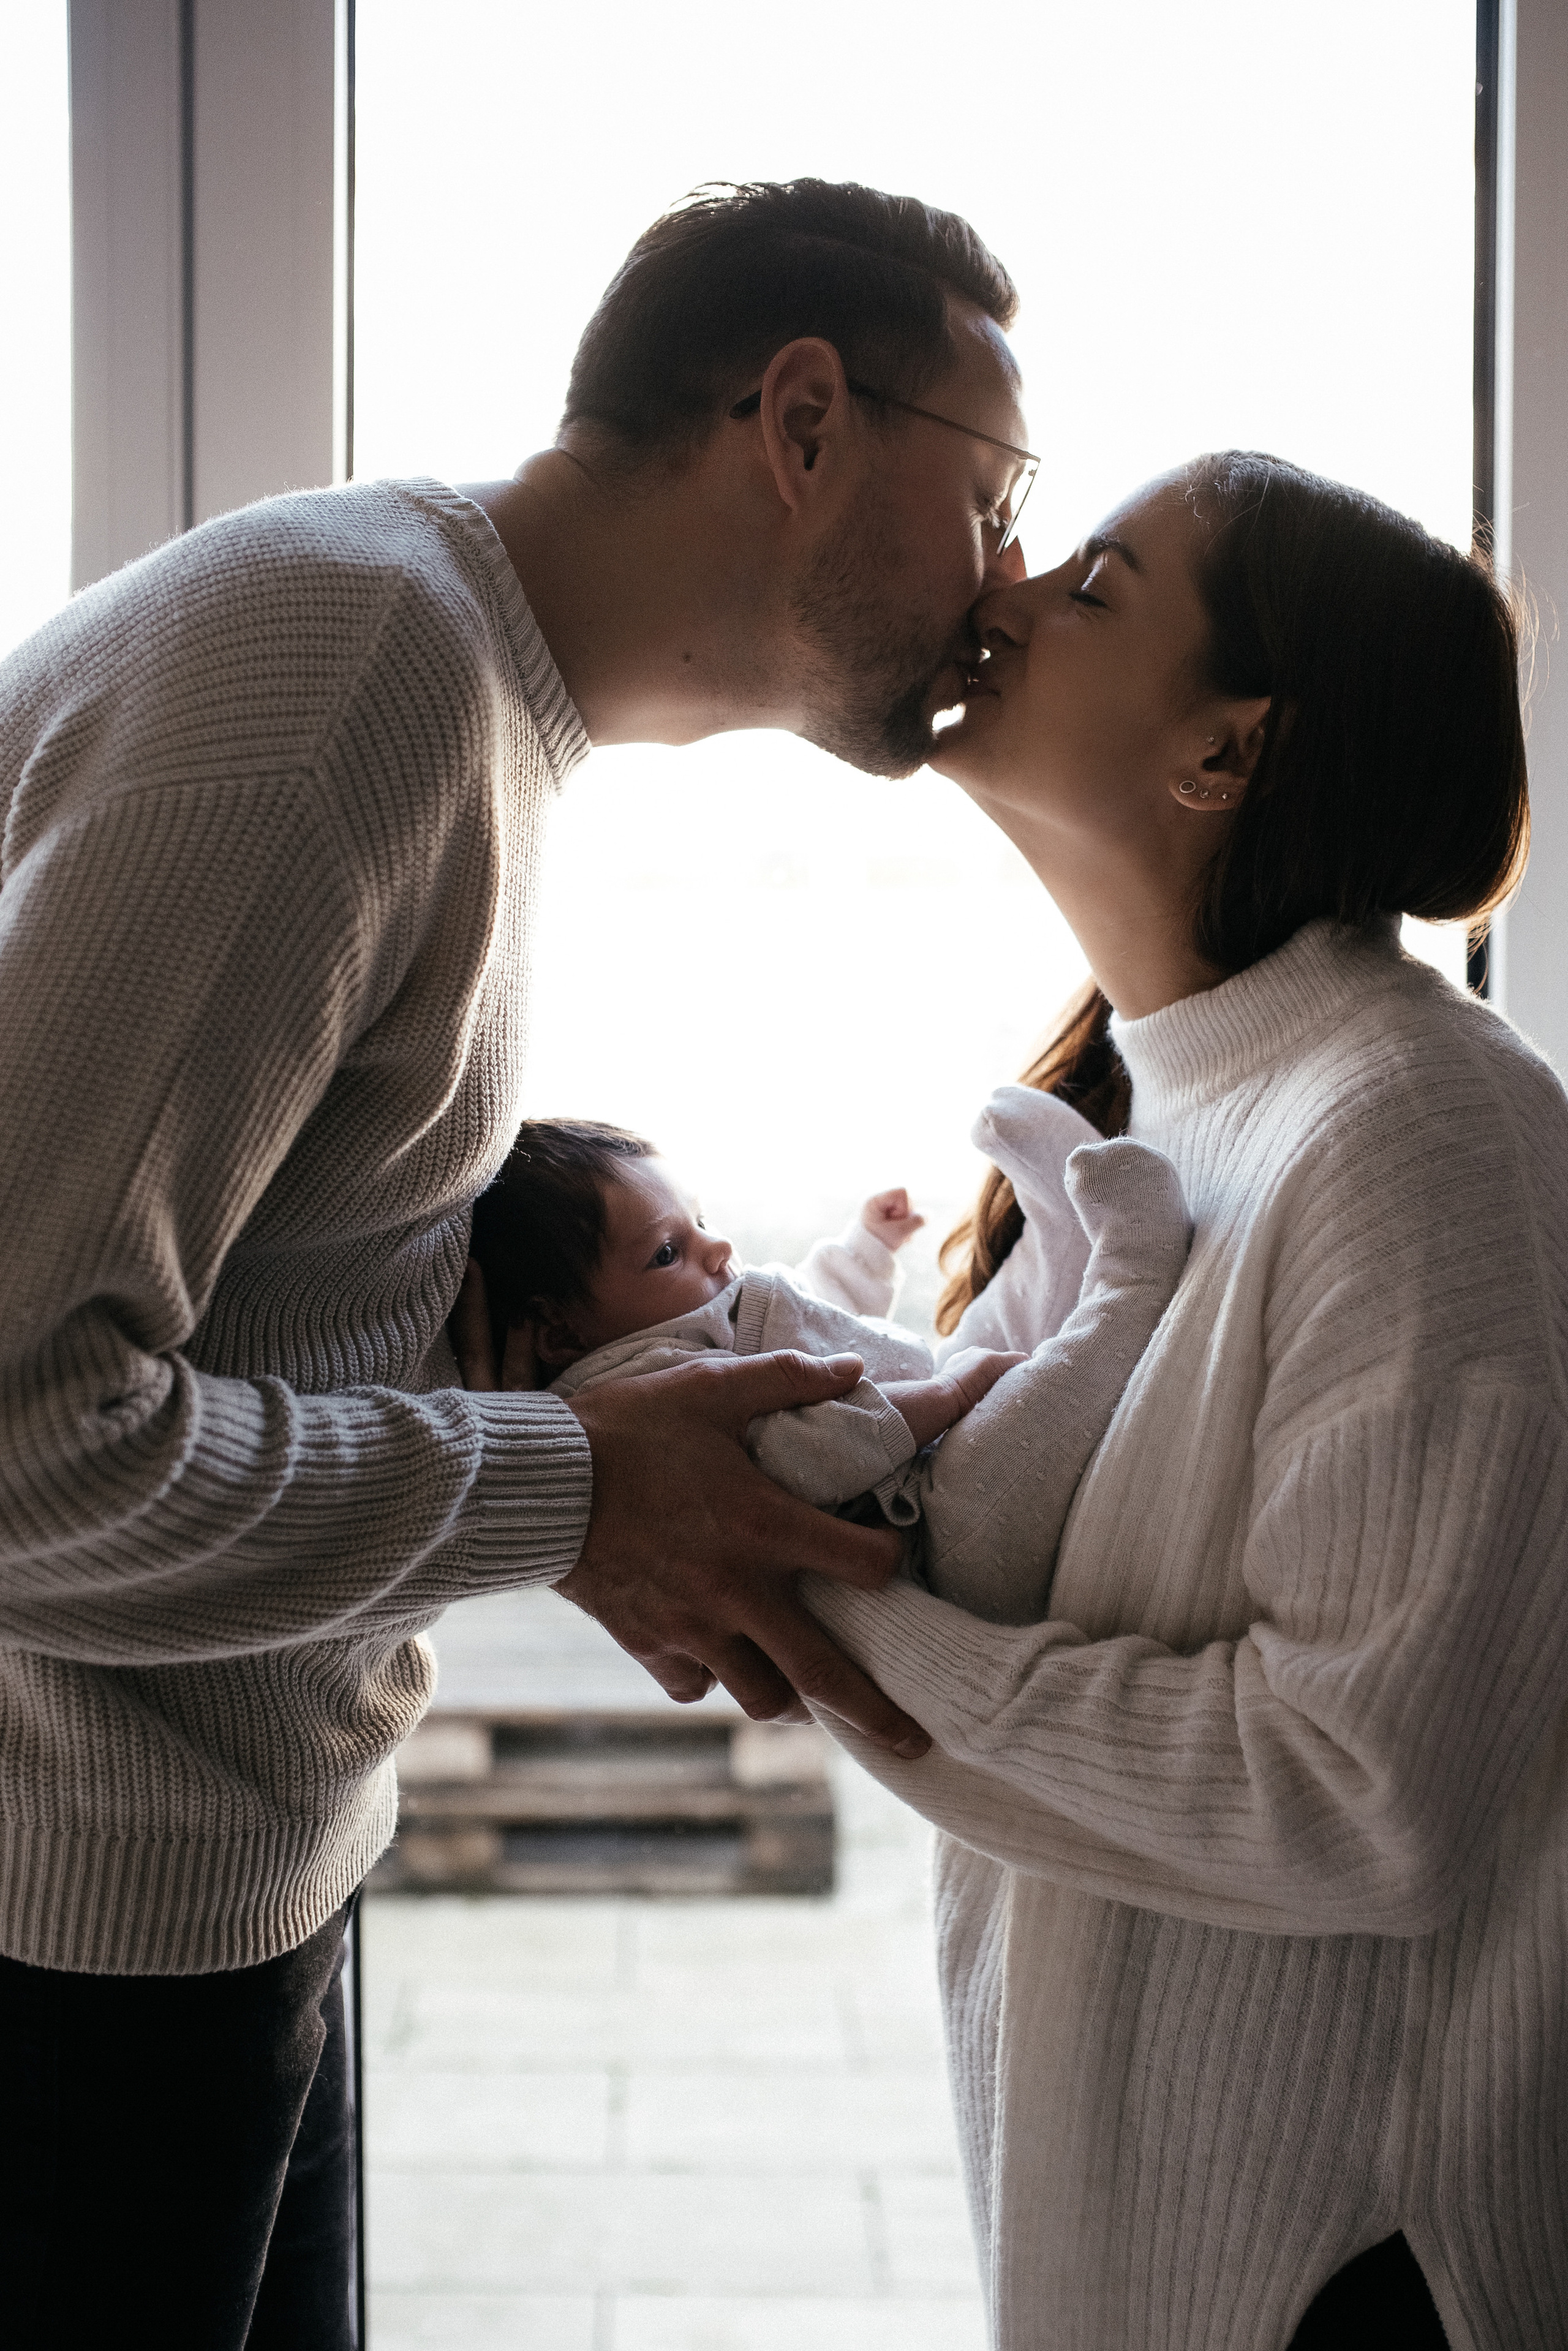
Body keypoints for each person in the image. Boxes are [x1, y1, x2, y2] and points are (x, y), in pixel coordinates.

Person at [0, 178, 1036, 2347]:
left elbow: (276, 1285)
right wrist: (573, 1490)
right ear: (804, 421)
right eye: (995, 492)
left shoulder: (446, 684)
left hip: (218, 1894)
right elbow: (17, 1436)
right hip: (66, 1957)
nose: (1008, 579)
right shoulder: (346, 669)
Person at [797, 453, 1564, 2349]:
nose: (1007, 592)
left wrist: (853, 1636)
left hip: (1344, 2275)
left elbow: (1365, 1791)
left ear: (1225, 749)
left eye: (1095, 585)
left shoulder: (1415, 1127)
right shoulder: (1160, 1102)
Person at [465, 1114, 1189, 1595]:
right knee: (1032, 1395)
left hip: (929, 1442)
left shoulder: (700, 1315)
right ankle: (1131, 1283)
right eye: (666, 1250)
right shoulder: (644, 1386)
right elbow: (807, 1449)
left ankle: (1059, 1236)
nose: (716, 1246)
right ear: (563, 1334)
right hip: (932, 1529)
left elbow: (810, 1315)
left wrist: (866, 1249)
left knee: (991, 1340)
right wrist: (951, 1395)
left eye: (701, 1220)